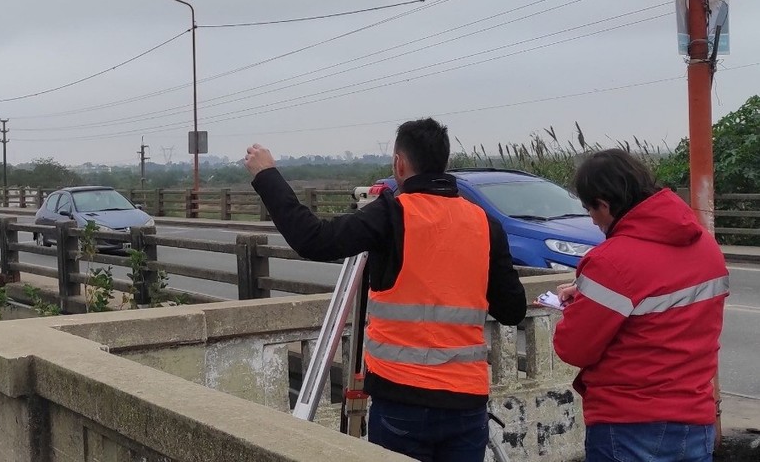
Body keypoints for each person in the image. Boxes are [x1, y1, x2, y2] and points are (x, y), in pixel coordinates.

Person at [245, 118, 525, 461]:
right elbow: (513, 310)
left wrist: (267, 176)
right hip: (466, 403)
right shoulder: (486, 223)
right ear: (444, 162)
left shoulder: (391, 215)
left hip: (401, 401)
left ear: (399, 163)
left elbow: (312, 239)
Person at [553, 149, 727, 462]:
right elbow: (661, 305)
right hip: (695, 419)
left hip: (629, 423)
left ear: (604, 205)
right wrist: (590, 297)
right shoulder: (706, 246)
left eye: (590, 210)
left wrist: (578, 308)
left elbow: (574, 348)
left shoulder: (610, 262)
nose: (592, 220)